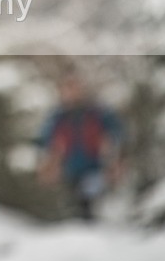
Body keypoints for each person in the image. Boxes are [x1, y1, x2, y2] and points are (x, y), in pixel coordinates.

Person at [37, 70, 125, 221]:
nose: (72, 92)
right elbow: (44, 142)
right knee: (72, 209)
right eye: (68, 88)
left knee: (89, 202)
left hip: (95, 168)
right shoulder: (57, 117)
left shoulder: (98, 112)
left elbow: (117, 132)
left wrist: (114, 154)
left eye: (75, 87)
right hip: (68, 171)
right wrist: (48, 163)